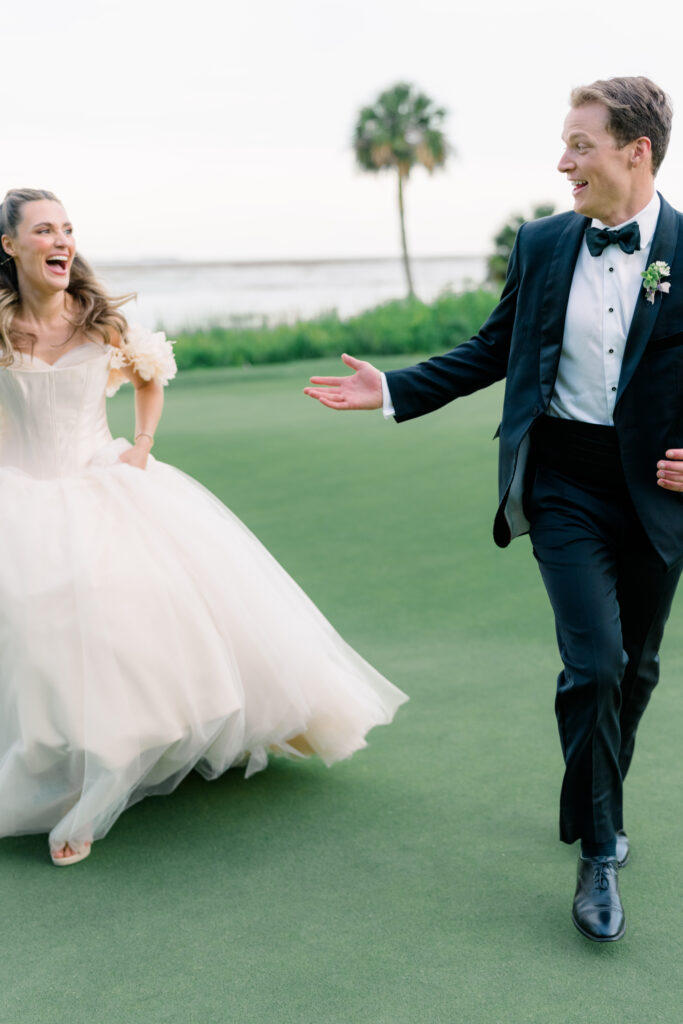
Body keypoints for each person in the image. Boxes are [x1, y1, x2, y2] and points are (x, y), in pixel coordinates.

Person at [305, 76, 683, 943]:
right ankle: (599, 849)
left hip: (658, 495)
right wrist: (394, 389)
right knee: (594, 664)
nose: (563, 162)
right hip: (561, 485)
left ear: (636, 151)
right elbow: (492, 349)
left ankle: (589, 790)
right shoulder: (543, 244)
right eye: (563, 144)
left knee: (635, 672)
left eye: (579, 145)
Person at [0, 187, 407, 867]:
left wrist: (141, 444)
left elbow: (149, 377)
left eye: (68, 229)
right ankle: (51, 756)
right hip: (25, 491)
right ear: (10, 246)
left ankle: (103, 781)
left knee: (122, 623)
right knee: (34, 629)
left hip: (104, 482)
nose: (61, 241)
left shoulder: (98, 321)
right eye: (44, 230)